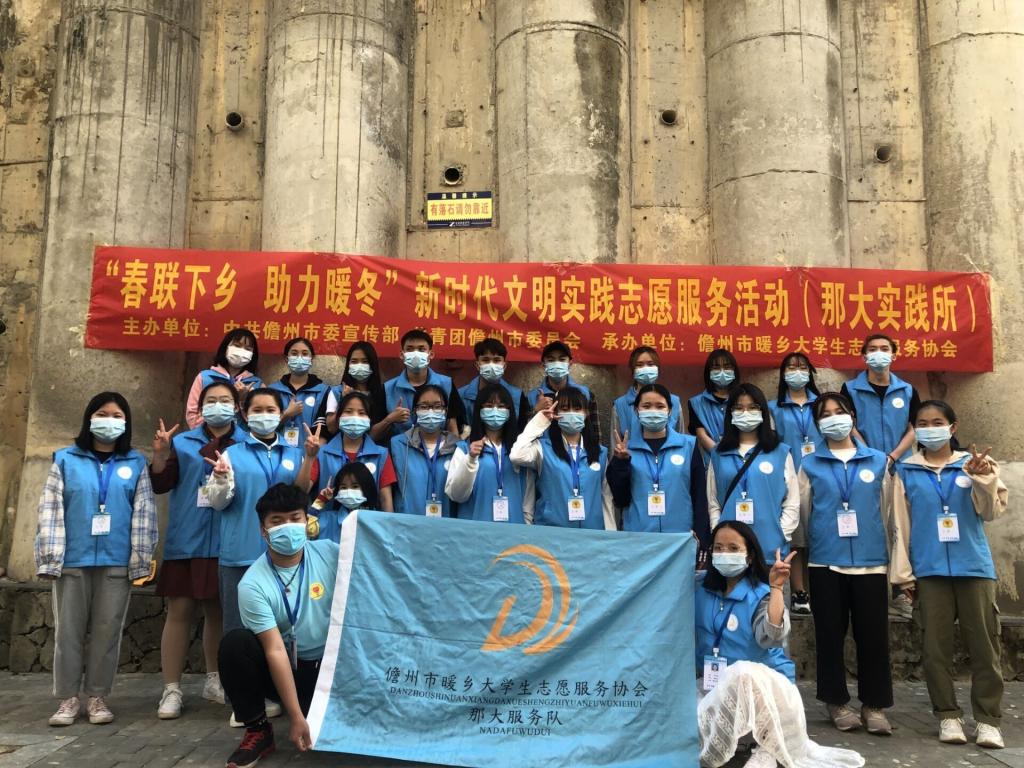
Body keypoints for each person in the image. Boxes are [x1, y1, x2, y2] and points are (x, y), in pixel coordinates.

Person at [891, 401, 1008, 749]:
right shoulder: (907, 471)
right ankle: (947, 715)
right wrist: (904, 575)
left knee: (985, 647)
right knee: (935, 650)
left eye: (937, 422)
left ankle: (988, 720)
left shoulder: (975, 464)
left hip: (974, 568)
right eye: (923, 423)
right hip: (929, 571)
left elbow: (990, 512)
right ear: (915, 430)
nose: (931, 428)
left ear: (952, 428)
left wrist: (982, 478)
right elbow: (900, 526)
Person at [35, 392, 157, 727]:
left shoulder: (135, 463)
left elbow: (144, 513)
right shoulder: (65, 460)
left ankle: (98, 696)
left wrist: (140, 559)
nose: (109, 421)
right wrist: (50, 557)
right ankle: (67, 698)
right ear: (89, 418)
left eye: (117, 416)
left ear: (126, 423)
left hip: (116, 560)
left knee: (107, 632)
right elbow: (49, 510)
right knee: (68, 633)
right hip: (73, 559)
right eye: (102, 414)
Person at [218, 484, 340, 768]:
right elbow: (273, 650)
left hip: (334, 669)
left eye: (295, 518)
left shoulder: (332, 554)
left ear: (307, 521)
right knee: (235, 645)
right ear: (263, 530)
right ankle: (258, 730)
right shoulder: (252, 584)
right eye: (277, 521)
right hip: (289, 669)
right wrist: (295, 717)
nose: (288, 527)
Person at [798, 392, 893, 734]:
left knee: (873, 637)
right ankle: (835, 701)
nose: (833, 418)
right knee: (829, 635)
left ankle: (874, 705)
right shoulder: (809, 464)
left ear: (852, 415)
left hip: (871, 561)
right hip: (826, 561)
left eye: (839, 411)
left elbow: (887, 510)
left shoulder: (878, 461)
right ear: (817, 423)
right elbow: (805, 514)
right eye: (825, 414)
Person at [149, 383, 245, 719]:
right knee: (180, 611)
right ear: (200, 408)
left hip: (226, 539)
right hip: (187, 537)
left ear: (237, 407)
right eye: (211, 400)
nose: (218, 405)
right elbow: (161, 484)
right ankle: (171, 689)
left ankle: (214, 679)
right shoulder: (182, 442)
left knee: (218, 612)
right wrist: (160, 454)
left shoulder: (245, 444)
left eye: (225, 400)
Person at [204, 389, 318, 636]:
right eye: (257, 410)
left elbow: (299, 497)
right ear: (245, 415)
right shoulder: (232, 454)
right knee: (239, 632)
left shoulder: (294, 453)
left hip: (286, 555)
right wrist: (221, 480)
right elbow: (218, 503)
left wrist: (309, 458)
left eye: (270, 410)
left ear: (281, 414)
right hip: (240, 555)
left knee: (286, 627)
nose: (264, 415)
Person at [707, 384, 799, 567]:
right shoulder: (718, 454)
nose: (745, 413)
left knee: (771, 587)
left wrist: (781, 533)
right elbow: (713, 500)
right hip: (728, 550)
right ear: (730, 413)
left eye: (752, 407)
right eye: (739, 408)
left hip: (770, 548)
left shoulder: (780, 452)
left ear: (763, 411)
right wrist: (717, 530)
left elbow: (792, 500)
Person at [606, 383, 709, 541]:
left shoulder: (688, 445)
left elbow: (700, 495)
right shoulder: (626, 450)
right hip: (638, 538)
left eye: (660, 406)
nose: (653, 411)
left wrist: (701, 535)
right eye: (646, 406)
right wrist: (620, 463)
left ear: (669, 410)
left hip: (680, 538)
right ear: (636, 410)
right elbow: (620, 500)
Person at [510, 386, 615, 530]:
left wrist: (610, 534)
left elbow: (606, 497)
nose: (571, 413)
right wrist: (540, 420)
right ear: (556, 413)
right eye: (565, 409)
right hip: (552, 534)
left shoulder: (600, 453)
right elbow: (516, 455)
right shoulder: (542, 449)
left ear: (586, 413)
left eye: (577, 409)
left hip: (592, 534)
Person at [768, 353, 820, 615]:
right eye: (791, 367)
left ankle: (819, 590)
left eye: (801, 367)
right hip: (791, 478)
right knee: (796, 539)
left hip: (822, 475)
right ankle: (800, 592)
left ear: (810, 371)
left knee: (821, 535)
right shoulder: (773, 407)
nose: (796, 371)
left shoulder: (821, 403)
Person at [446, 384, 533, 524]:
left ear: (510, 411)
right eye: (489, 405)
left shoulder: (518, 452)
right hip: (477, 532)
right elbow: (456, 495)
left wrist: (526, 526)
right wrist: (470, 459)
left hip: (514, 531)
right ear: (479, 411)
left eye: (501, 406)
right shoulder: (464, 449)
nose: (495, 410)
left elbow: (528, 498)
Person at [841, 334, 919, 463]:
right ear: (865, 357)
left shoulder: (908, 391)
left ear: (893, 356)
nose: (879, 353)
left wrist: (893, 457)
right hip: (865, 460)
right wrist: (870, 455)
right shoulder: (849, 389)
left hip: (902, 462)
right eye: (872, 349)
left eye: (884, 349)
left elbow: (914, 428)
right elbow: (848, 426)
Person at [313, 391, 396, 512]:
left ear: (369, 420)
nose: (355, 417)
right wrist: (322, 499)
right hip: (329, 521)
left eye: (362, 413)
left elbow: (385, 500)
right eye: (348, 411)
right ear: (338, 417)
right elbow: (303, 491)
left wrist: (388, 524)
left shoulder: (382, 454)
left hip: (367, 522)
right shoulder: (322, 452)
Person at [390, 385, 460, 517]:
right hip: (408, 523)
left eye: (437, 406)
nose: (431, 411)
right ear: (415, 410)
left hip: (447, 524)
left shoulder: (458, 448)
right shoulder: (398, 445)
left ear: (445, 411)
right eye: (424, 406)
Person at [383, 329, 466, 439]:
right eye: (410, 349)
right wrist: (390, 419)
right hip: (400, 447)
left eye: (421, 349)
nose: (416, 354)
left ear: (431, 354)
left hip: (439, 447)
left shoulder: (447, 384)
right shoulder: (387, 388)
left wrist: (456, 448)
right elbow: (374, 435)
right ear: (402, 355)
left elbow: (453, 428)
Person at [525, 340, 601, 442]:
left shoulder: (585, 394)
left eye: (562, 359)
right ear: (543, 364)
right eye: (551, 360)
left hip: (579, 451)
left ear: (570, 363)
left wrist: (595, 451)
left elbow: (595, 433)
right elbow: (523, 435)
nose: (557, 363)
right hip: (542, 451)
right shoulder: (532, 397)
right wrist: (536, 411)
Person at [185, 329, 263, 428]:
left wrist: (243, 401)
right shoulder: (204, 377)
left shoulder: (257, 384)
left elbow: (259, 423)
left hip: (242, 437)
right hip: (206, 436)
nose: (241, 351)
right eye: (237, 346)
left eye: (248, 349)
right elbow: (192, 416)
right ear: (225, 347)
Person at [320, 341, 390, 442]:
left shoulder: (382, 393)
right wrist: (343, 401)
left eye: (365, 361)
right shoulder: (337, 392)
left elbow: (381, 433)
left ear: (373, 364)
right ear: (348, 364)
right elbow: (331, 428)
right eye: (354, 361)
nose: (359, 365)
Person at [610, 346, 684, 441]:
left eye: (650, 364)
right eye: (639, 365)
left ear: (657, 368)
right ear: (633, 370)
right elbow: (615, 444)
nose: (645, 368)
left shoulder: (674, 402)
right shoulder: (620, 405)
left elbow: (681, 439)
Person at [267, 338, 330, 447]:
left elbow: (323, 432)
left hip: (309, 452)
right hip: (276, 452)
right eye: (294, 353)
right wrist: (286, 415)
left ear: (311, 359)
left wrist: (312, 454)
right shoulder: (272, 390)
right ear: (286, 359)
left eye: (305, 354)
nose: (299, 357)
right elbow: (265, 428)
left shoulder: (324, 391)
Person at [458, 337, 530, 431]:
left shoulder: (517, 396)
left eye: (496, 360)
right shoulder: (461, 395)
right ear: (477, 365)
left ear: (504, 365)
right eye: (485, 360)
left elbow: (521, 431)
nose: (491, 365)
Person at [689, 348, 741, 459]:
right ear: (708, 372)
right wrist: (720, 457)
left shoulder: (742, 398)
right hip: (711, 461)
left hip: (742, 458)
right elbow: (701, 435)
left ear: (734, 370)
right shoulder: (696, 403)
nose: (722, 371)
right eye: (716, 368)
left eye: (727, 367)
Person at [310, 462, 381, 542]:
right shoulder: (326, 519)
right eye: (343, 487)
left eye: (355, 486)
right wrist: (320, 500)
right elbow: (306, 530)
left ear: (366, 488)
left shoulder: (378, 520)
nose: (348, 491)